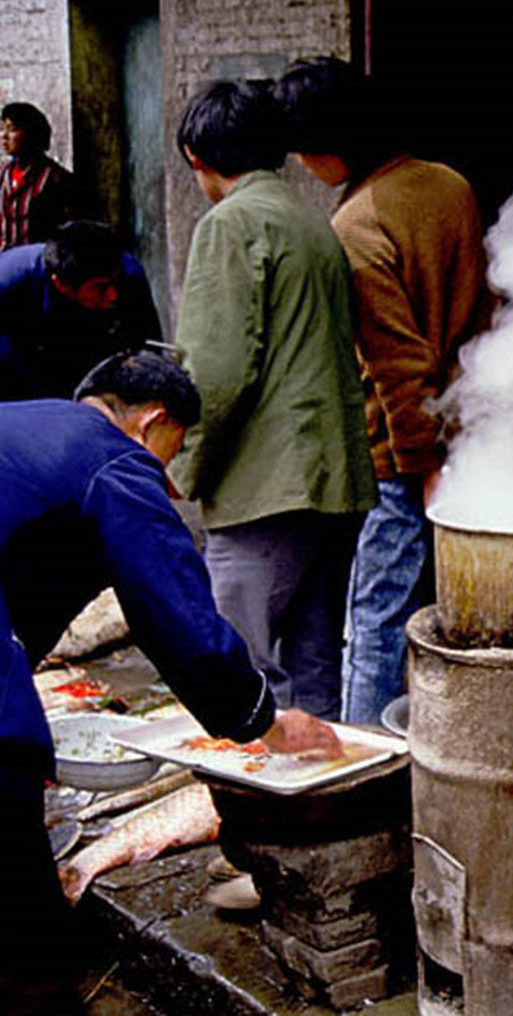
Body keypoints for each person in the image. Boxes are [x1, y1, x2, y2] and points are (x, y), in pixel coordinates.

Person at [0, 350, 342, 1015]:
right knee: (30, 942)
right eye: (172, 454)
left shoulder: (28, 427)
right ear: (151, 423)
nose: (169, 480)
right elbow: (174, 614)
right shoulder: (114, 460)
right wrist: (264, 721)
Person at [275, 57, 493, 724]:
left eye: (304, 153)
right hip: (471, 430)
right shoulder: (449, 184)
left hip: (403, 454)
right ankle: (437, 739)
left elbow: (397, 367)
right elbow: (485, 316)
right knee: (454, 612)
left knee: (376, 614)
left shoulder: (356, 227)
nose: (304, 168)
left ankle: (369, 757)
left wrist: (422, 462)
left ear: (327, 147)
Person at [170, 80, 377, 721]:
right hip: (333, 479)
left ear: (197, 160)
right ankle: (316, 809)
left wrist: (182, 467)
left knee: (238, 667)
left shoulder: (229, 225)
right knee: (315, 665)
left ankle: (252, 808)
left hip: (266, 488)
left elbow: (216, 372)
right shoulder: (311, 220)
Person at [0, 219, 162, 400]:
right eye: (101, 288)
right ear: (62, 285)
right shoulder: (8, 283)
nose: (113, 295)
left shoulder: (128, 272)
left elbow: (147, 348)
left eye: (114, 283)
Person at [0, 101, 84, 251]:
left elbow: (72, 229)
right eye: (2, 129)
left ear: (31, 133)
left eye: (12, 129)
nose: (4, 136)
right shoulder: (3, 175)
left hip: (40, 263)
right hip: (6, 264)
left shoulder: (55, 178)